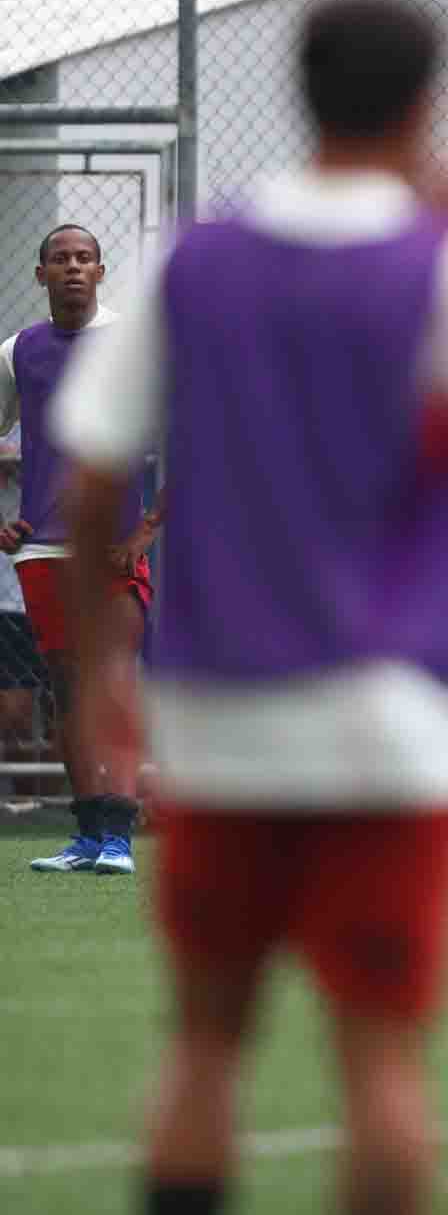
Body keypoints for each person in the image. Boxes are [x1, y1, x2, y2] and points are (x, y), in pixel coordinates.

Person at [55, 0, 448, 1215]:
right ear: (424, 103)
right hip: (392, 719)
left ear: (300, 90)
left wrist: (100, 666)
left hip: (215, 715)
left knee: (203, 1042)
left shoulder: (191, 255)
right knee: (379, 1061)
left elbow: (94, 468)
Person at [7, 223, 164, 874]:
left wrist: (144, 530)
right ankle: (88, 836)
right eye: (60, 259)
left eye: (84, 258)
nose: (73, 268)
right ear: (41, 274)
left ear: (100, 272)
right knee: (68, 692)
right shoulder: (18, 352)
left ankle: (120, 839)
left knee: (115, 682)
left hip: (114, 551)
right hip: (43, 552)